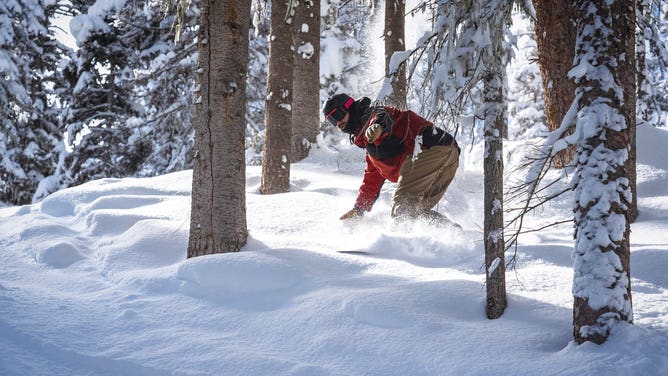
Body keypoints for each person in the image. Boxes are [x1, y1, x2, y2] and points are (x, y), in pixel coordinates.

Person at [323, 93, 460, 225]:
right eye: (332, 120)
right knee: (417, 212)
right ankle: (451, 236)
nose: (338, 122)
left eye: (338, 115)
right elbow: (373, 177)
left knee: (404, 202)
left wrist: (377, 127)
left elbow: (382, 117)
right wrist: (359, 209)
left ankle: (398, 243)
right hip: (448, 154)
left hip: (431, 147)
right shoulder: (370, 146)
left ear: (350, 107)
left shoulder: (374, 116)